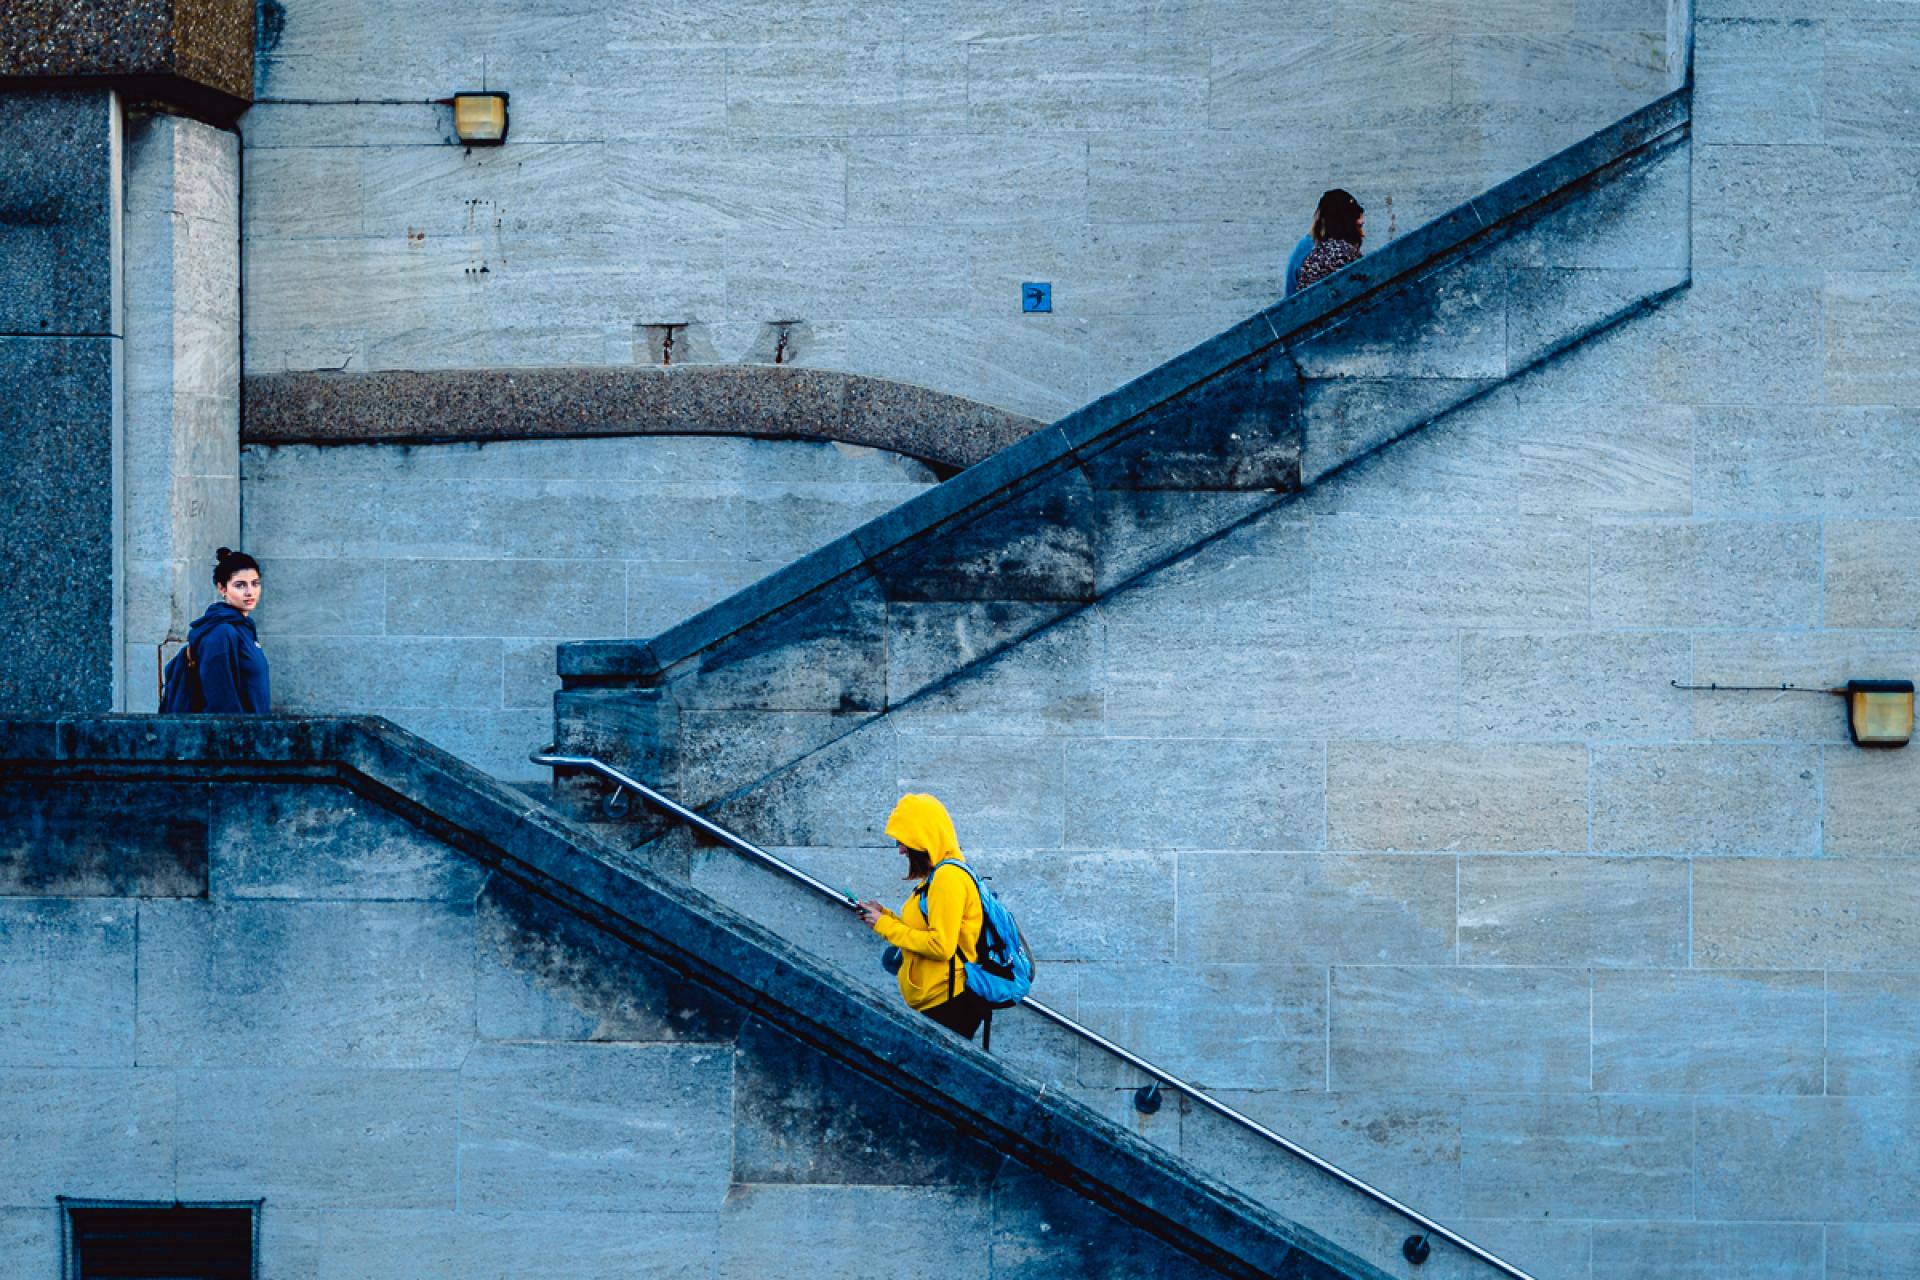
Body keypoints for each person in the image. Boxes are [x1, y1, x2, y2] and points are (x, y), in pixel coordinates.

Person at [858, 793, 989, 1041]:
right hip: (939, 1000)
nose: (901, 850)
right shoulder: (936, 877)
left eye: (903, 840)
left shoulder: (948, 878)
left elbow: (940, 946)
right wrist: (883, 916)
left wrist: (885, 925)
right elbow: (926, 930)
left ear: (924, 837)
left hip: (949, 1003)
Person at [183, 547, 271, 713]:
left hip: (257, 732)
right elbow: (220, 704)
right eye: (240, 585)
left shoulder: (245, 628)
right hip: (236, 735)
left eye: (255, 584)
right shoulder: (221, 633)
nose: (250, 592)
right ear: (222, 588)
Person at [1293, 188, 1366, 292]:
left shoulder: (1314, 254)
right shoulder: (1345, 255)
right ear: (1348, 224)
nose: (1363, 234)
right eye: (1359, 226)